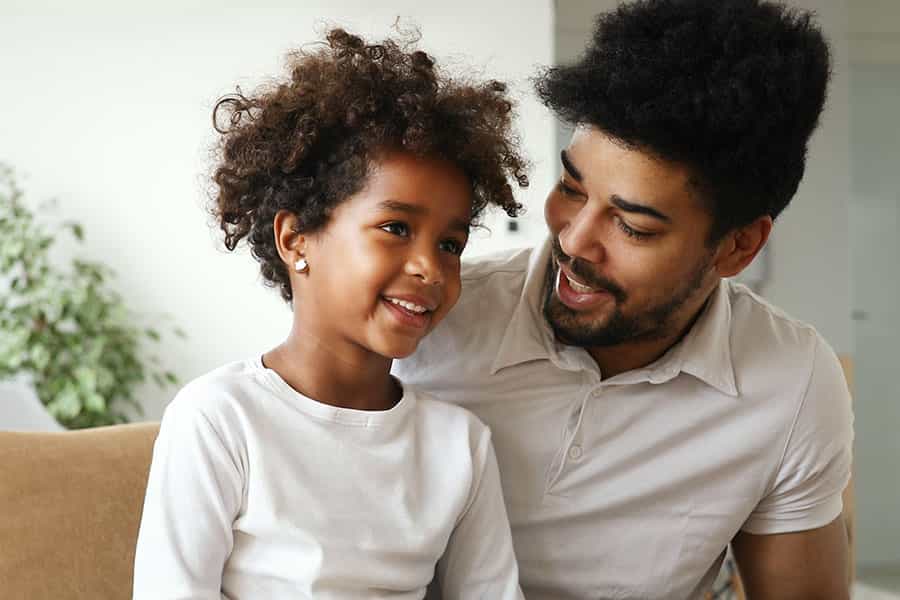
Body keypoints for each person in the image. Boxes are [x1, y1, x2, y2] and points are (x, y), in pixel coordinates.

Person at [394, 1, 854, 598]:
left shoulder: (790, 381)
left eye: (633, 227)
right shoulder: (433, 316)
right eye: (570, 187)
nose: (574, 239)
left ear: (738, 247)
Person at [132, 28, 529, 600]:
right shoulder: (221, 419)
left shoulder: (458, 444)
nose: (429, 268)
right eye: (395, 228)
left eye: (451, 244)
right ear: (296, 240)